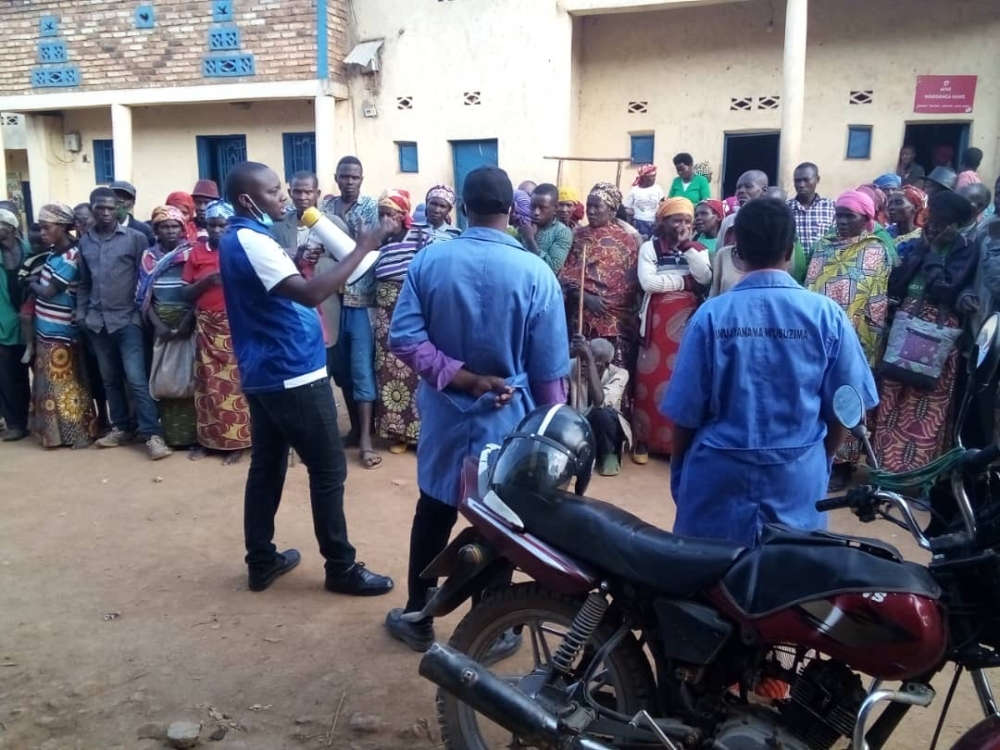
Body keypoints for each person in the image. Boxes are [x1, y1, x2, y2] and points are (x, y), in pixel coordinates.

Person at [384, 166, 570, 651]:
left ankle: (417, 616)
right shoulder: (537, 273)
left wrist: (461, 378)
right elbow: (550, 373)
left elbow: (403, 338)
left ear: (463, 208)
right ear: (513, 210)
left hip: (447, 413)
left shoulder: (430, 262)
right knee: (500, 522)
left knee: (434, 510)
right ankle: (491, 631)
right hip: (511, 420)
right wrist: (553, 437)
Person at [219, 160, 396, 595]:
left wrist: (299, 262)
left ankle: (261, 561)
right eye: (275, 191)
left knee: (267, 467)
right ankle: (341, 567)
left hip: (267, 371)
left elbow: (283, 287)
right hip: (292, 373)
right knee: (329, 469)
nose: (284, 197)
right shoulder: (249, 238)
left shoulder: (244, 237)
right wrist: (363, 245)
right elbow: (311, 293)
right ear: (247, 200)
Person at [662, 198, 877, 546]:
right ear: (791, 250)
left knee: (707, 583)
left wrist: (682, 476)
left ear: (738, 251)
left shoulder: (711, 316)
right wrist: (817, 460)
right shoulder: (827, 315)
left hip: (718, 475)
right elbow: (846, 409)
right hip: (797, 475)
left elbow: (686, 415)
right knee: (791, 582)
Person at [871, 192, 978, 473]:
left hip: (938, 331)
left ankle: (918, 476)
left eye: (939, 222)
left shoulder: (965, 247)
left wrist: (930, 254)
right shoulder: (919, 242)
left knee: (927, 405)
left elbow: (945, 288)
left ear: (953, 224)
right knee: (891, 398)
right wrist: (921, 251)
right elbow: (897, 284)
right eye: (930, 220)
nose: (931, 227)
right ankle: (885, 471)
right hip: (906, 322)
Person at [805, 190, 895, 490]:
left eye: (850, 216)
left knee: (847, 396)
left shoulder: (875, 249)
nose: (842, 222)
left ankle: (842, 464)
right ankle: (815, 451)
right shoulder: (823, 247)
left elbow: (876, 298)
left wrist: (862, 337)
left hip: (857, 336)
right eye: (839, 215)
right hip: (817, 334)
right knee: (817, 393)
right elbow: (810, 286)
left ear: (866, 219)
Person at [78, 187, 171, 460]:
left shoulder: (135, 238)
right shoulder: (85, 242)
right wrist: (81, 314)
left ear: (120, 208)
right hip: (96, 322)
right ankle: (120, 427)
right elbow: (84, 283)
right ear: (92, 209)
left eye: (111, 208)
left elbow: (146, 280)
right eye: (100, 208)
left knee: (136, 379)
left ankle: (152, 434)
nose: (106, 213)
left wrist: (142, 316)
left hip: (127, 319)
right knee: (109, 381)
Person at [632, 197, 712, 464]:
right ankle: (644, 440)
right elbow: (648, 283)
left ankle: (674, 445)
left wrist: (688, 247)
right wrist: (684, 281)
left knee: (681, 379)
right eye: (676, 220)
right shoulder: (649, 248)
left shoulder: (697, 248)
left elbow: (705, 278)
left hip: (687, 324)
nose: (682, 225)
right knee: (650, 379)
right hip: (655, 322)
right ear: (663, 221)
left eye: (687, 221)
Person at [558, 183, 640, 412]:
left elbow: (630, 285)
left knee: (612, 377)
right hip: (583, 316)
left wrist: (607, 304)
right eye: (589, 206)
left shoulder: (627, 241)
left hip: (614, 323)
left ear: (612, 210)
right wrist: (585, 296)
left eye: (597, 206)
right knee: (578, 372)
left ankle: (612, 425)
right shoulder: (578, 236)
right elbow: (566, 275)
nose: (591, 211)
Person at [182, 201, 251, 465]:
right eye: (213, 225)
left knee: (234, 387)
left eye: (223, 225)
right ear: (205, 226)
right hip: (207, 328)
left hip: (236, 326)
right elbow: (184, 292)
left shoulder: (241, 251)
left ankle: (238, 442)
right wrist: (207, 281)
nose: (218, 230)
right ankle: (209, 442)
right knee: (207, 385)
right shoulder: (198, 253)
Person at [323, 156, 382, 469]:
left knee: (360, 369)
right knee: (342, 370)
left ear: (362, 179)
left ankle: (366, 442)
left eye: (354, 177)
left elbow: (372, 249)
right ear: (336, 177)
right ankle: (357, 428)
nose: (349, 182)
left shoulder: (371, 208)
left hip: (361, 300)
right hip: (331, 300)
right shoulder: (326, 209)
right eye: (344, 176)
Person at [27, 203, 98, 448]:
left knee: (66, 386)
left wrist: (32, 282)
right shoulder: (53, 254)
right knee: (52, 386)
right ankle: (56, 435)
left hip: (62, 331)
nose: (42, 233)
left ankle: (77, 435)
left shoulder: (71, 256)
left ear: (63, 227)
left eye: (47, 228)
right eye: (40, 228)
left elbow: (48, 292)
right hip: (46, 328)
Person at [138, 206, 197, 449]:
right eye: (165, 227)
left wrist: (187, 323)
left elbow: (198, 290)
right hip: (161, 322)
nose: (171, 231)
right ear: (156, 230)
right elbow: (143, 296)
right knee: (166, 377)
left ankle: (196, 436)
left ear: (183, 229)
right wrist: (159, 324)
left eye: (175, 226)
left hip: (190, 321)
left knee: (192, 375)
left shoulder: (192, 253)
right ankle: (173, 436)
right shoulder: (148, 257)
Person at [373, 189, 423, 455]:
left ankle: (417, 433)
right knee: (387, 367)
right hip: (383, 308)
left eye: (390, 214)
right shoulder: (375, 238)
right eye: (381, 214)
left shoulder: (419, 235)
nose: (385, 219)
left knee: (414, 368)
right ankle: (395, 432)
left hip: (410, 305)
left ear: (403, 214)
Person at [568, 334, 630, 476]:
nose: (583, 363)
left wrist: (589, 362)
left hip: (603, 429)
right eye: (583, 358)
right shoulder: (572, 365)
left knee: (603, 413)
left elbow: (599, 402)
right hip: (578, 424)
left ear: (606, 365)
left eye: (592, 361)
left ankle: (608, 453)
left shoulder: (620, 374)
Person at [0, 208, 31, 441]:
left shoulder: (31, 250)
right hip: (4, 324)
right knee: (8, 376)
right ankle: (15, 423)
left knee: (38, 374)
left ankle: (38, 419)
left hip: (32, 324)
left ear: (9, 227)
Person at [520, 183, 572, 273]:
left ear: (555, 208)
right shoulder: (525, 225)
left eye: (542, 208)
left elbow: (551, 268)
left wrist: (529, 240)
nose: (536, 212)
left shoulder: (562, 232)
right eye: (533, 206)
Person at [788, 162, 836, 254]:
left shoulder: (831, 207)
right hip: (793, 266)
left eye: (806, 180)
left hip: (823, 264)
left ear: (817, 179)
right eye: (797, 180)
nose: (801, 184)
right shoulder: (785, 209)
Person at [717, 170, 768, 247]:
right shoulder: (728, 221)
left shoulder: (772, 220)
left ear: (764, 191)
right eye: (738, 187)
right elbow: (719, 253)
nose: (741, 191)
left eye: (748, 186)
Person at [886, 185, 927, 263]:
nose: (891, 207)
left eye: (898, 202)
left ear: (916, 207)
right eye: (890, 203)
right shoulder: (887, 231)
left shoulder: (920, 238)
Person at [109, 180, 155, 247]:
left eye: (125, 197)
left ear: (132, 204)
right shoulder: (97, 228)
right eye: (115, 196)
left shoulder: (143, 230)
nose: (119, 200)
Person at [625, 164, 665, 239]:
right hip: (638, 223)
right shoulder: (635, 190)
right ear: (644, 178)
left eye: (654, 176)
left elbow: (662, 204)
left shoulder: (658, 188)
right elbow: (628, 209)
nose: (654, 179)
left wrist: (659, 222)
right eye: (651, 176)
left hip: (654, 223)